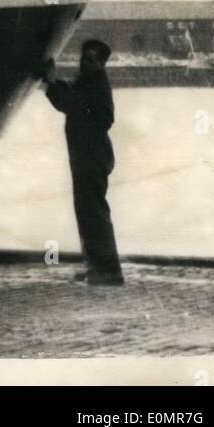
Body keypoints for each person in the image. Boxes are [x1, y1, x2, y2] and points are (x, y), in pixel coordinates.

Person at [42, 39, 124, 286]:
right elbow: (73, 98)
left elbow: (71, 103)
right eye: (84, 58)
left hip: (91, 159)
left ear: (100, 63)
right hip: (89, 158)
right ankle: (97, 267)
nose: (85, 63)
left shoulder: (96, 85)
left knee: (94, 214)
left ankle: (108, 271)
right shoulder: (91, 83)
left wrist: (50, 83)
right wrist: (55, 83)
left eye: (91, 59)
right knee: (89, 213)